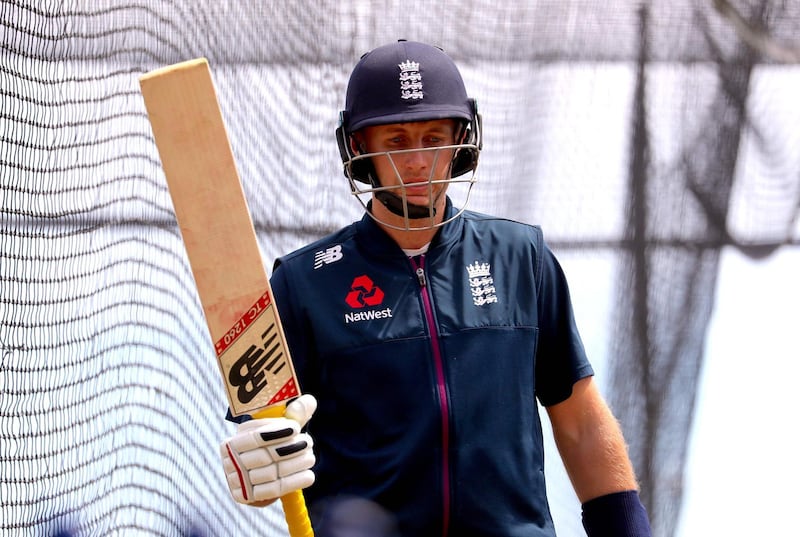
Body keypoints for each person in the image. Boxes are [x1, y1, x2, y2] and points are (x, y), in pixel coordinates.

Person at [219, 39, 652, 537]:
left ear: (462, 139)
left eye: (433, 137)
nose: (420, 162)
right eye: (397, 141)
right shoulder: (300, 283)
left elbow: (580, 423)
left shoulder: (521, 256)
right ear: (359, 148)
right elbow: (264, 441)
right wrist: (254, 471)